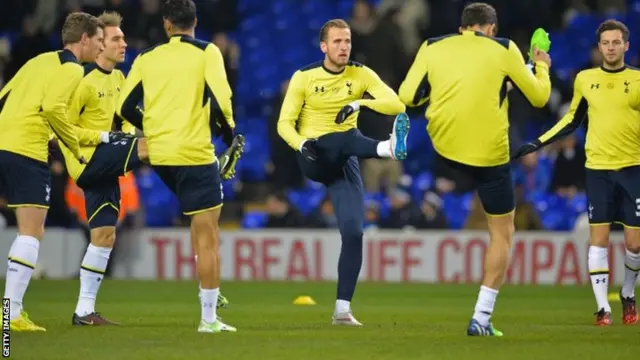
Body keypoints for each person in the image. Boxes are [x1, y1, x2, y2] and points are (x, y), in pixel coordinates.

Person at [398, 2, 551, 336]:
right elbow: (540, 98)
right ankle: (481, 317)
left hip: (445, 150)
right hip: (489, 156)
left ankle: (426, 198)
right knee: (503, 232)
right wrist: (540, 65)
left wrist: (438, 88)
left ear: (462, 28)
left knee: (430, 163)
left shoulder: (433, 46)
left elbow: (407, 95)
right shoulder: (505, 49)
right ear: (491, 29)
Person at [117, 0, 239, 333]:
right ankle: (209, 317)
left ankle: (210, 290)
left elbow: (125, 106)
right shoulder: (207, 52)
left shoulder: (146, 58)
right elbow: (221, 97)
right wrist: (226, 135)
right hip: (195, 155)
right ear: (195, 22)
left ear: (167, 24)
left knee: (195, 223)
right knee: (208, 235)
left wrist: (152, 126)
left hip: (158, 156)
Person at [277, 18, 408, 326]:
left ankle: (342, 310)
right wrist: (300, 143)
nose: (344, 46)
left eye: (347, 41)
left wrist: (359, 104)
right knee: (339, 137)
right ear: (324, 46)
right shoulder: (304, 77)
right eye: (337, 41)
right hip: (313, 154)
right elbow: (283, 123)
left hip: (346, 156)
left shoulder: (360, 74)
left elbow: (396, 104)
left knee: (353, 232)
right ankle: (385, 149)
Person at [514, 19, 640, 326]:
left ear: (626, 45)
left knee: (635, 245)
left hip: (633, 169)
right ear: (599, 48)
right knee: (597, 239)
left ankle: (627, 293)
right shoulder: (585, 79)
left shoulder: (638, 80)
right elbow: (571, 120)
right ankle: (602, 309)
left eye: (616, 42)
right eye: (605, 43)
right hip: (598, 169)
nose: (610, 48)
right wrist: (538, 142)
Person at [0, 12, 105, 332]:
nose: (101, 47)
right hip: (25, 148)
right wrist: (74, 148)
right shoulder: (73, 68)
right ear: (83, 39)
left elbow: (5, 95)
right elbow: (53, 108)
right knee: (31, 231)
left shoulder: (40, 60)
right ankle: (10, 314)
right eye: (99, 40)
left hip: (4, 140)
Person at [52, 11, 142, 326]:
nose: (124, 43)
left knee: (104, 235)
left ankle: (83, 311)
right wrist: (104, 136)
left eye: (123, 37)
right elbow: (62, 128)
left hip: (105, 164)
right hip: (87, 161)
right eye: (117, 38)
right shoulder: (83, 80)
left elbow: (127, 117)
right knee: (155, 144)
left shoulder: (119, 79)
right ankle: (207, 165)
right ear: (100, 44)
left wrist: (127, 132)